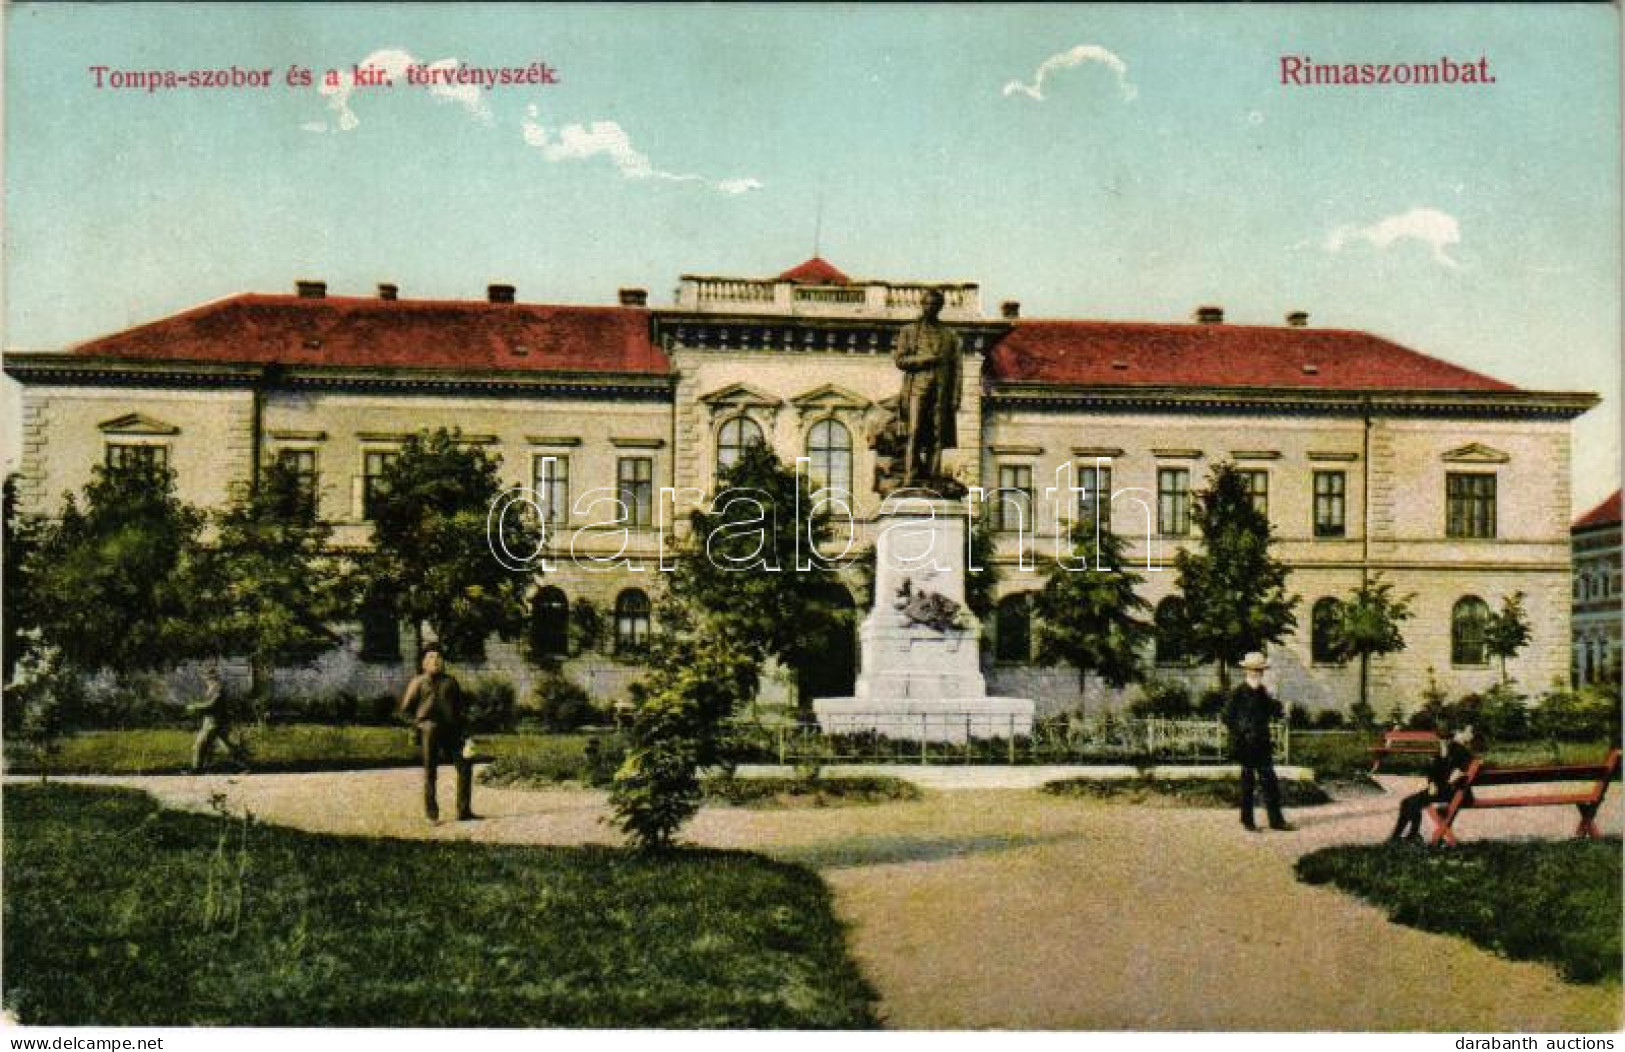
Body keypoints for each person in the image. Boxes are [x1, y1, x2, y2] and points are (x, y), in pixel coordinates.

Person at [398, 642, 476, 823]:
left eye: (439, 657)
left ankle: (463, 811)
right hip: (429, 731)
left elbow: (460, 710)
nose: (436, 661)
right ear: (424, 663)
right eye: (431, 657)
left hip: (452, 731)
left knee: (465, 765)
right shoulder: (418, 682)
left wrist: (466, 734)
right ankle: (432, 813)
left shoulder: (450, 682)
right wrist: (418, 726)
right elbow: (404, 711)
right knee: (430, 771)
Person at [891, 287, 961, 486]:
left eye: (935, 305)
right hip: (916, 390)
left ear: (940, 307)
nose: (931, 308)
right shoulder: (910, 331)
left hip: (941, 392)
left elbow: (957, 369)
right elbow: (900, 360)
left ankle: (934, 475)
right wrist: (924, 360)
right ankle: (910, 476)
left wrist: (956, 397)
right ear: (922, 305)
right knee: (914, 430)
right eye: (927, 304)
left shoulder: (950, 336)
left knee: (937, 434)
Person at [1222, 651, 1292, 831]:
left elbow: (1272, 710)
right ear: (1246, 671)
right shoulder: (1237, 693)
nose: (1257, 673)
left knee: (1270, 782)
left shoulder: (1262, 692)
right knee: (1247, 784)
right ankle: (1248, 822)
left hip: (1262, 744)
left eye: (1260, 670)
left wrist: (1283, 710)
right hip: (1246, 745)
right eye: (1253, 670)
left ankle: (1276, 821)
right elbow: (1227, 717)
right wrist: (1242, 731)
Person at [1389, 725, 1477, 842]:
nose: (1443, 742)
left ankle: (1409, 836)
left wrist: (1446, 778)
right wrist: (1432, 783)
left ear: (1452, 738)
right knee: (1407, 802)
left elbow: (1460, 773)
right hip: (1447, 791)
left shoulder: (1459, 751)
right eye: (1441, 740)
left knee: (1410, 803)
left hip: (1454, 793)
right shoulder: (1447, 751)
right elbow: (1433, 772)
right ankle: (1404, 836)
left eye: (1446, 739)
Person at [189, 667, 248, 772]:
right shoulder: (211, 688)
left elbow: (212, 705)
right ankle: (243, 764)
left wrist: (195, 707)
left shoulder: (218, 688)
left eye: (208, 676)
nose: (206, 679)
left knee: (200, 744)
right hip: (211, 722)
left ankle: (196, 769)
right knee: (225, 747)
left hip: (215, 723)